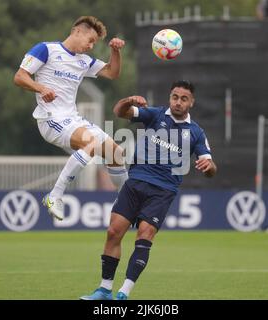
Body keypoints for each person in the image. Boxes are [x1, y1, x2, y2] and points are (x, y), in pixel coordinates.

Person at [80, 80, 217, 300]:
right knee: (113, 232)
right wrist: (129, 100)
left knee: (144, 235)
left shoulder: (196, 133)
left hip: (163, 191)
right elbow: (119, 111)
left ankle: (124, 292)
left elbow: (210, 167)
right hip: (135, 183)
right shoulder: (155, 115)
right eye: (175, 97)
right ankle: (104, 289)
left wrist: (209, 166)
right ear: (170, 97)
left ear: (191, 102)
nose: (178, 102)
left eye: (183, 98)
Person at [14, 16, 127, 220]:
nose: (91, 46)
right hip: (50, 119)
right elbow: (20, 77)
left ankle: (127, 202)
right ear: (77, 31)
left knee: (116, 153)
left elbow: (112, 73)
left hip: (73, 119)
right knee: (90, 143)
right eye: (90, 40)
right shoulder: (46, 50)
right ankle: (55, 195)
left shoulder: (84, 61)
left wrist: (115, 51)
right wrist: (41, 88)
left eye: (94, 43)